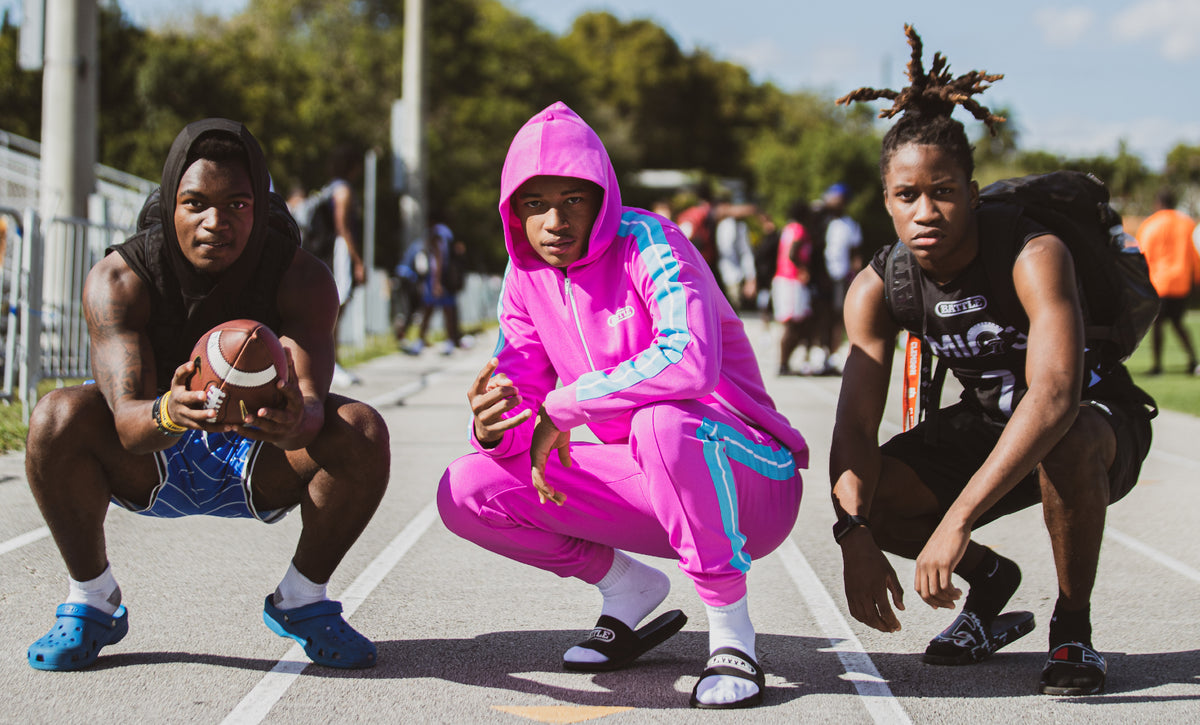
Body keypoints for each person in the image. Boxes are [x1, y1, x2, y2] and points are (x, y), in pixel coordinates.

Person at [437, 102, 808, 709]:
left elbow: (689, 357)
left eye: (573, 200)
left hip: (750, 480)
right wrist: (494, 425)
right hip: (647, 481)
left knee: (663, 422)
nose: (554, 221)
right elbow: (523, 408)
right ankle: (628, 588)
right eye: (534, 204)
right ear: (512, 210)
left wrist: (566, 404)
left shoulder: (650, 241)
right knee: (467, 487)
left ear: (603, 198)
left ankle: (732, 634)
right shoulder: (523, 275)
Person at [830, 27, 1154, 696]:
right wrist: (852, 533)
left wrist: (957, 519)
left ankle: (1072, 627)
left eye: (943, 191)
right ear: (886, 200)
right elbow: (854, 429)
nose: (926, 211)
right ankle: (992, 582)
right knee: (876, 492)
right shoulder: (878, 286)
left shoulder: (1032, 252)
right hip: (989, 423)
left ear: (973, 193)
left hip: (1094, 421)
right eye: (907, 195)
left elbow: (1055, 394)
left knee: (1068, 438)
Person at [23, 119, 390, 672]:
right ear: (170, 204)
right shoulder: (120, 278)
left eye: (237, 204)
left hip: (259, 455)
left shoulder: (301, 277)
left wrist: (294, 420)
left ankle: (302, 599)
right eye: (195, 203)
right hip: (153, 451)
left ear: (259, 207)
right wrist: (169, 411)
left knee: (361, 429)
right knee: (56, 416)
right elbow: (127, 426)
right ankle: (92, 599)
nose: (216, 222)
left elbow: (312, 410)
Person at [1135, 188, 1199, 375]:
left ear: (1158, 203)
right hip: (1180, 282)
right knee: (1178, 322)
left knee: (1158, 324)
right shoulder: (1187, 223)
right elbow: (1194, 254)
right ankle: (1193, 360)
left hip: (1158, 282)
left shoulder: (1150, 224)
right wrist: (1197, 278)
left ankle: (1157, 365)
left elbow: (1141, 255)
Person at [324, 145, 368, 386]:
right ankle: (332, 364)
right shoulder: (343, 190)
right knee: (336, 307)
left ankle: (333, 362)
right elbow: (342, 226)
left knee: (333, 308)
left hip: (329, 252)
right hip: (339, 252)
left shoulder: (329, 187)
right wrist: (357, 260)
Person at [398, 218, 465, 356]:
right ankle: (448, 341)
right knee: (444, 312)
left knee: (432, 311)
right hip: (442, 282)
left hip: (438, 282)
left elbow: (438, 261)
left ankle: (424, 341)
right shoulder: (446, 234)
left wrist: (436, 283)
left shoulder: (437, 236)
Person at [818, 182, 863, 372]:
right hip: (821, 275)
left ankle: (834, 354)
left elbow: (855, 253)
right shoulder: (822, 221)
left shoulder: (850, 225)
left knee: (838, 316)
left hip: (840, 276)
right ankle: (820, 352)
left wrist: (853, 277)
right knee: (821, 316)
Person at [772, 200, 816, 375]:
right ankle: (783, 364)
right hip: (791, 280)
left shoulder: (788, 228)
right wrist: (802, 269)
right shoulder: (800, 230)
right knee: (792, 323)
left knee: (795, 323)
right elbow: (792, 253)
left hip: (783, 279)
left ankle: (785, 363)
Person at [715, 212, 757, 310]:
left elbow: (745, 253)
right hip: (720, 276)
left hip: (733, 278)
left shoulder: (738, 227)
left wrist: (750, 279)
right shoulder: (718, 224)